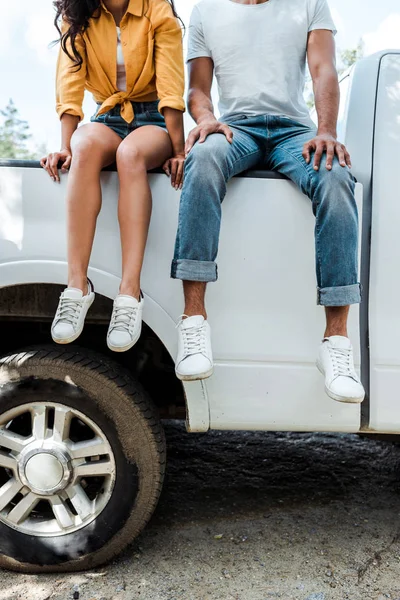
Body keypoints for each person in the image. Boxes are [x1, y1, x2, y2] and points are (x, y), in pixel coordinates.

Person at [172, 0, 365, 404]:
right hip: (235, 129)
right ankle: (194, 322)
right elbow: (197, 89)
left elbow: (323, 69)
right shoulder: (206, 11)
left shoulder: (309, 4)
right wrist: (206, 119)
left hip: (293, 131)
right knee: (203, 158)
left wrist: (326, 129)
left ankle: (336, 342)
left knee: (334, 176)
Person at [41, 0, 185, 352]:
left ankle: (129, 293)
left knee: (130, 154)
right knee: (85, 144)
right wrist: (65, 145)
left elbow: (170, 84)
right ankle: (77, 287)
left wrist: (179, 149)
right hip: (107, 114)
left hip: (154, 118)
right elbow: (69, 83)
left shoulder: (156, 10)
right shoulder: (78, 16)